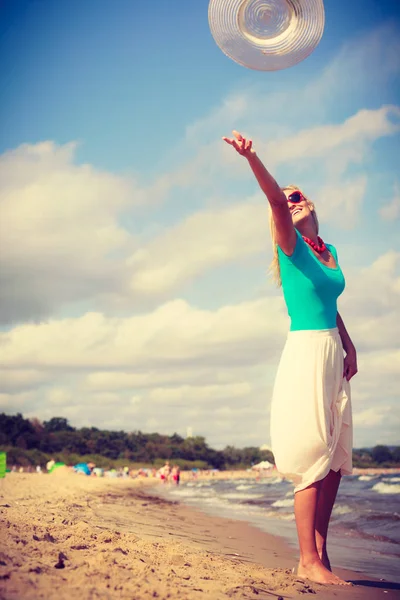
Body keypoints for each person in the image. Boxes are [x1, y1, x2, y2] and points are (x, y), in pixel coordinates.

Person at [223, 131, 357, 586]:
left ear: (313, 204)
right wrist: (253, 158)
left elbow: (330, 303)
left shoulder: (330, 251)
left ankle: (321, 551)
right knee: (312, 451)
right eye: (286, 200)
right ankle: (306, 560)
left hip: (332, 351)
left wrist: (349, 343)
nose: (292, 201)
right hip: (305, 353)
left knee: (336, 456)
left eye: (298, 195)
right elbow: (276, 204)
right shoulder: (290, 246)